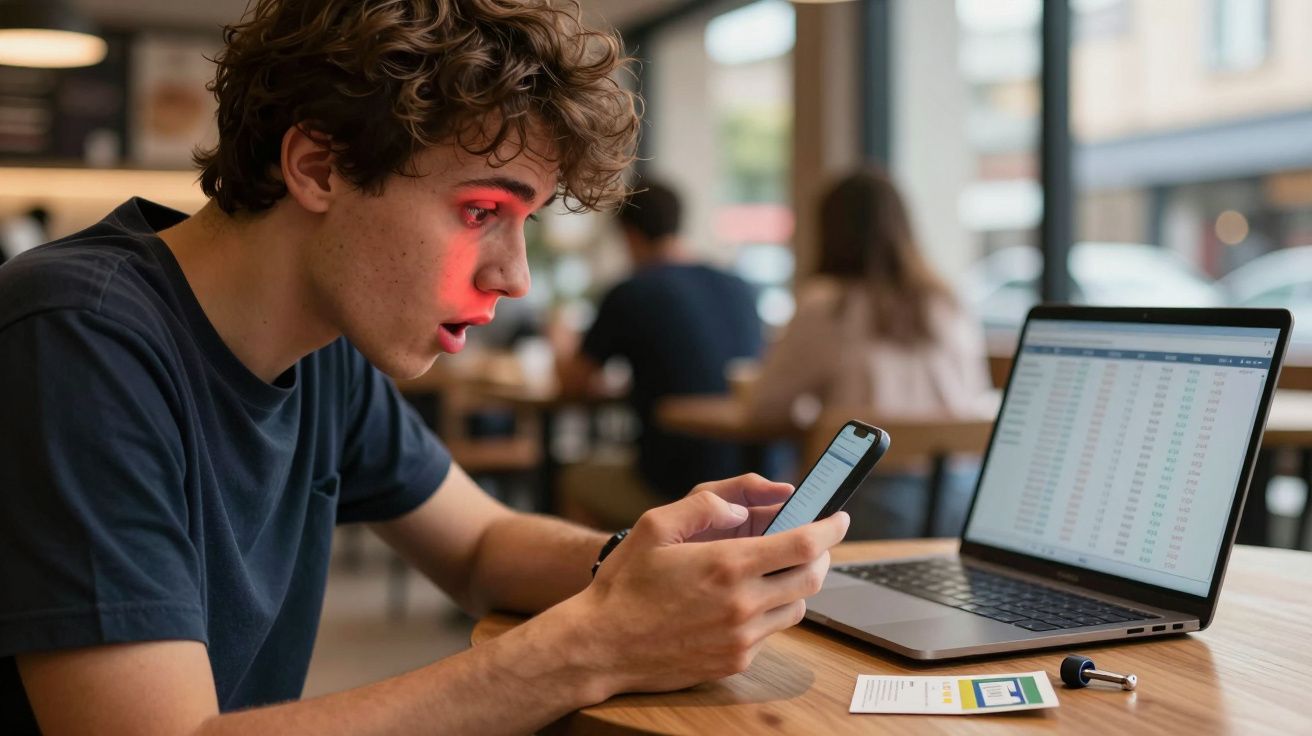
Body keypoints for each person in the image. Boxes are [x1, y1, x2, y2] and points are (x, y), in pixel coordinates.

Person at [0, 2, 849, 734]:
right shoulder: (79, 335)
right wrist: (598, 642)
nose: (513, 275)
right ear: (318, 167)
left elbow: (479, 543)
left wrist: (638, 563)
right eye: (482, 210)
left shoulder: (325, 343)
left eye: (526, 223)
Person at [745, 167, 992, 539]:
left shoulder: (829, 304)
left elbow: (765, 408)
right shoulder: (947, 300)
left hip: (870, 504)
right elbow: (976, 395)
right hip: (962, 499)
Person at [555, 179, 765, 528]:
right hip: (755, 479)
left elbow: (573, 384)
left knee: (575, 479)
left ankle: (600, 576)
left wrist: (559, 338)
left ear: (629, 235)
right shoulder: (739, 285)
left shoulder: (632, 291)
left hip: (674, 484)